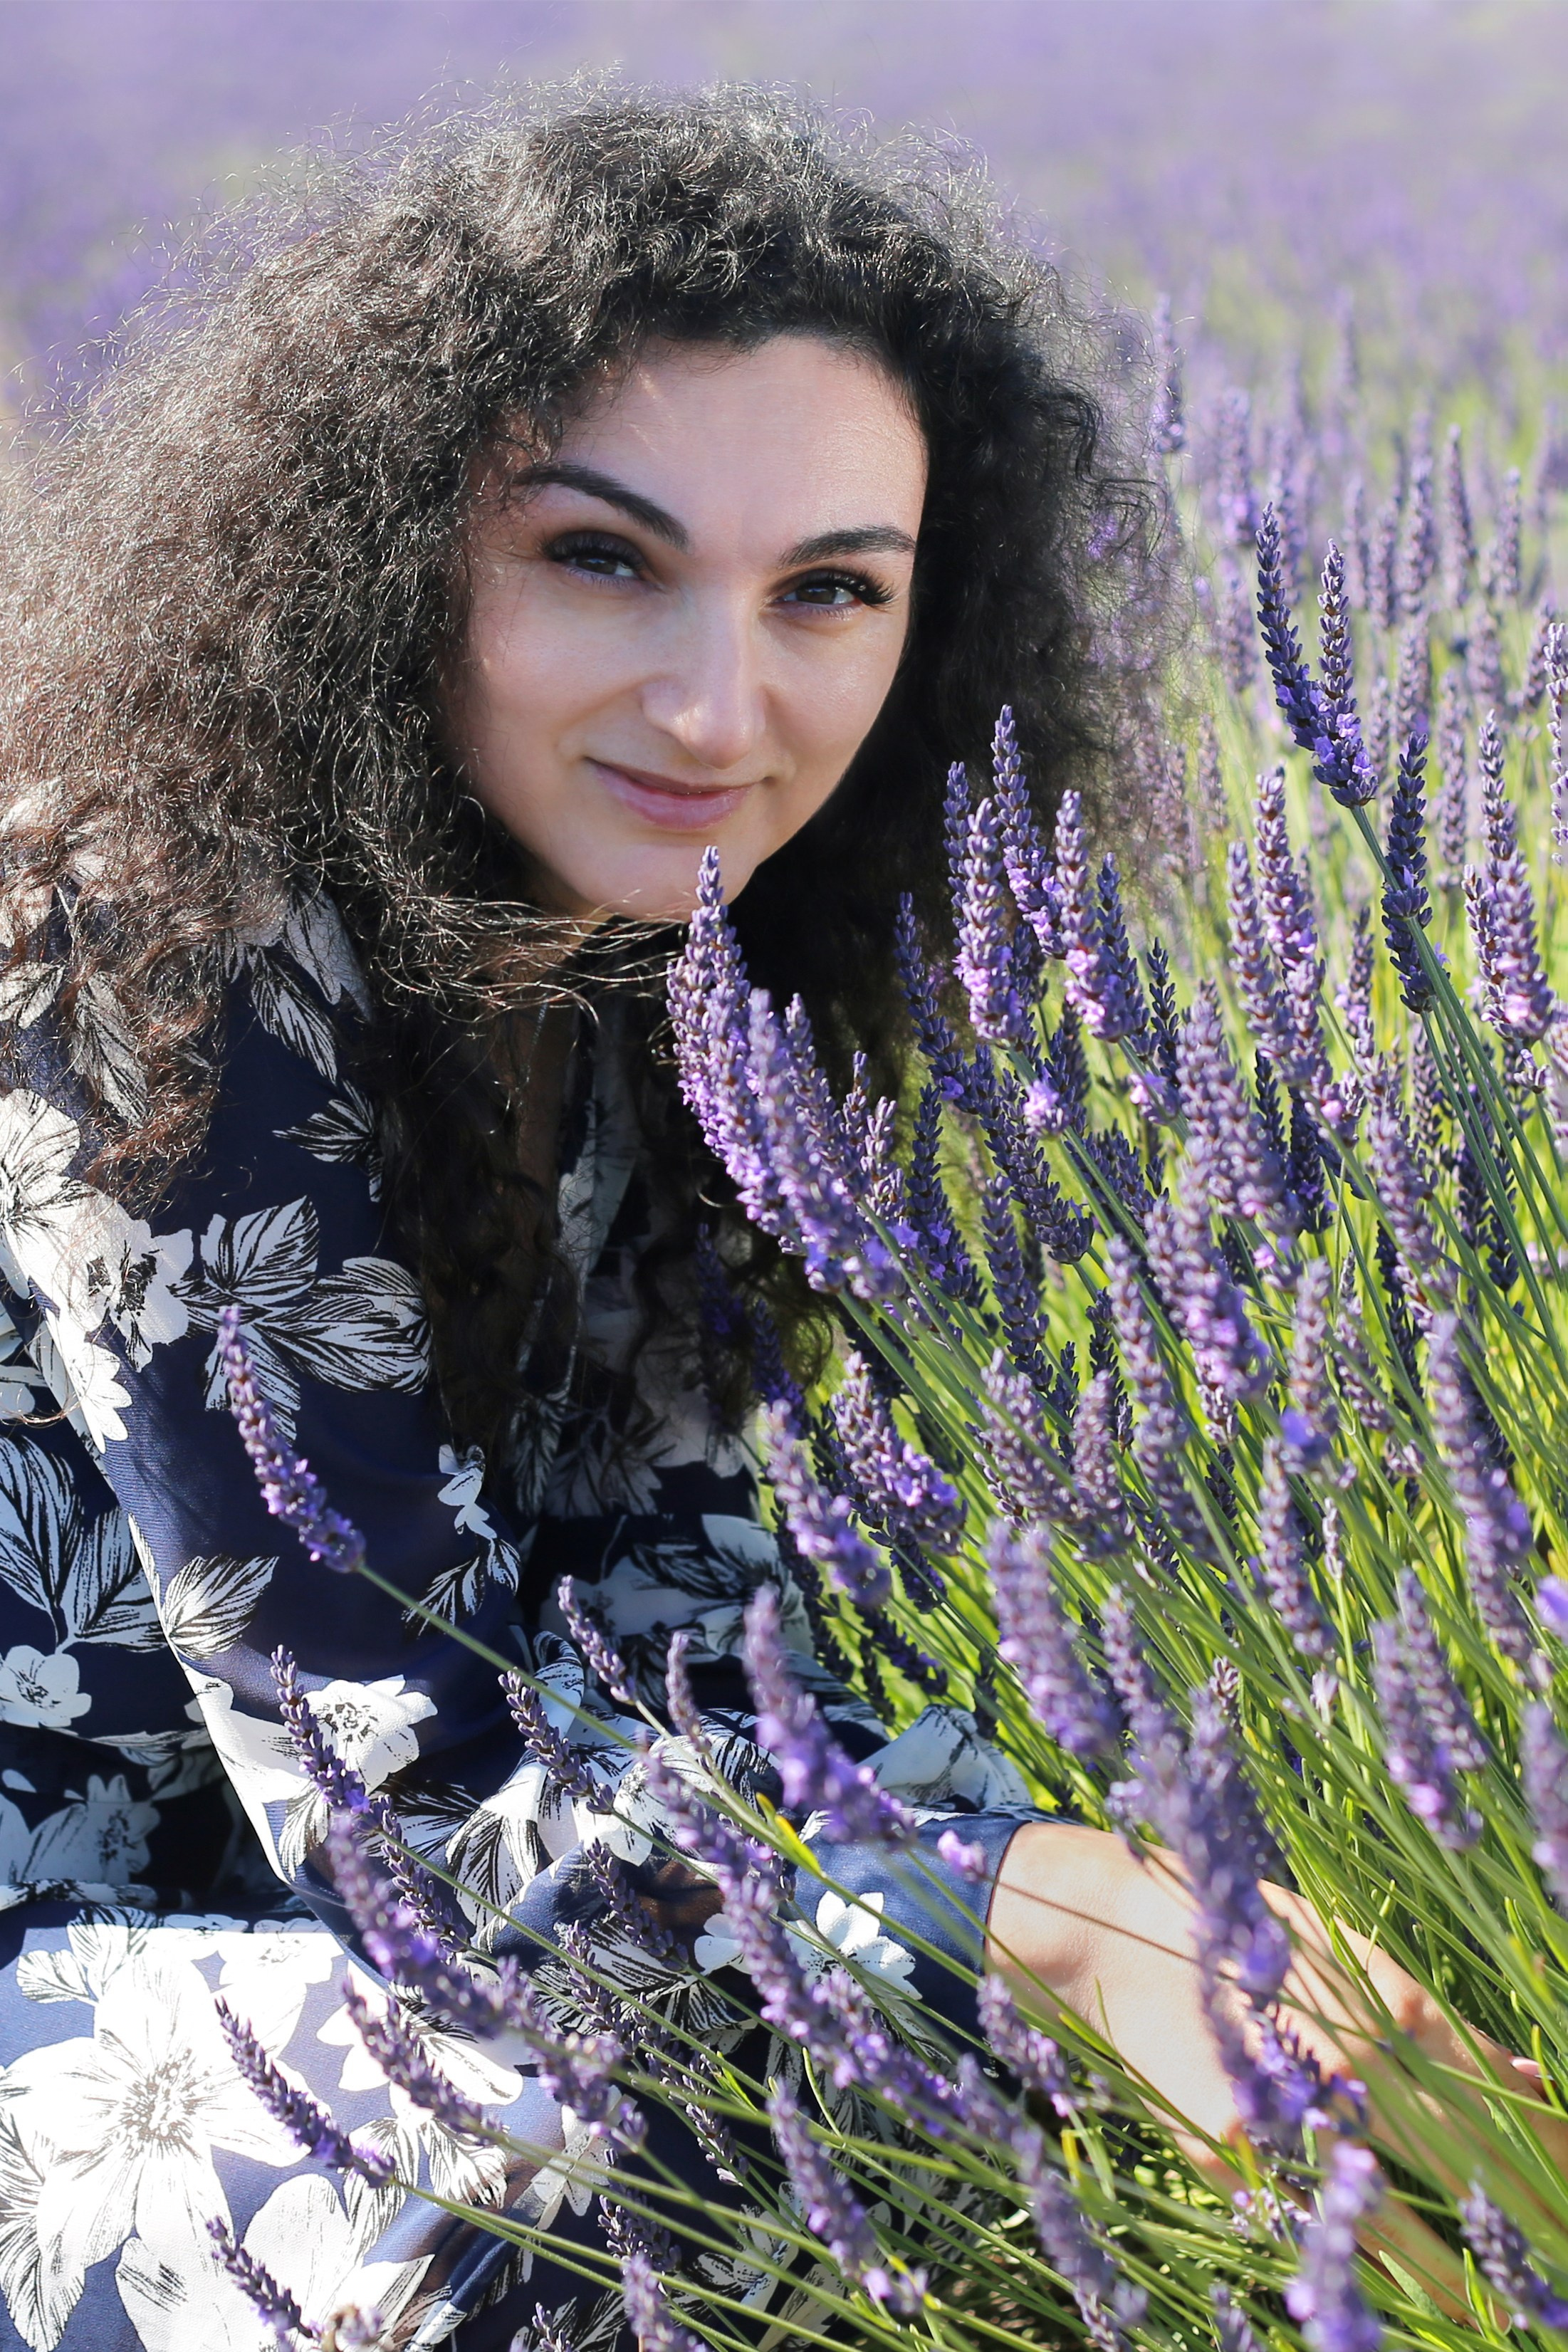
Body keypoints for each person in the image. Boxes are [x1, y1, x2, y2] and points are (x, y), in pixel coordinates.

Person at [0, 88, 1520, 2352]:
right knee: (616, 2253)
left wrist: (1187, 1912)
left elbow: (683, 1646)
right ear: (389, 545)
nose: (724, 708)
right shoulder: (142, 934)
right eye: (600, 558)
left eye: (828, 592)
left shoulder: (692, 965)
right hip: (82, 1976)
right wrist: (1060, 1921)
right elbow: (408, 1805)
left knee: (1008, 2138)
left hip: (414, 1974)